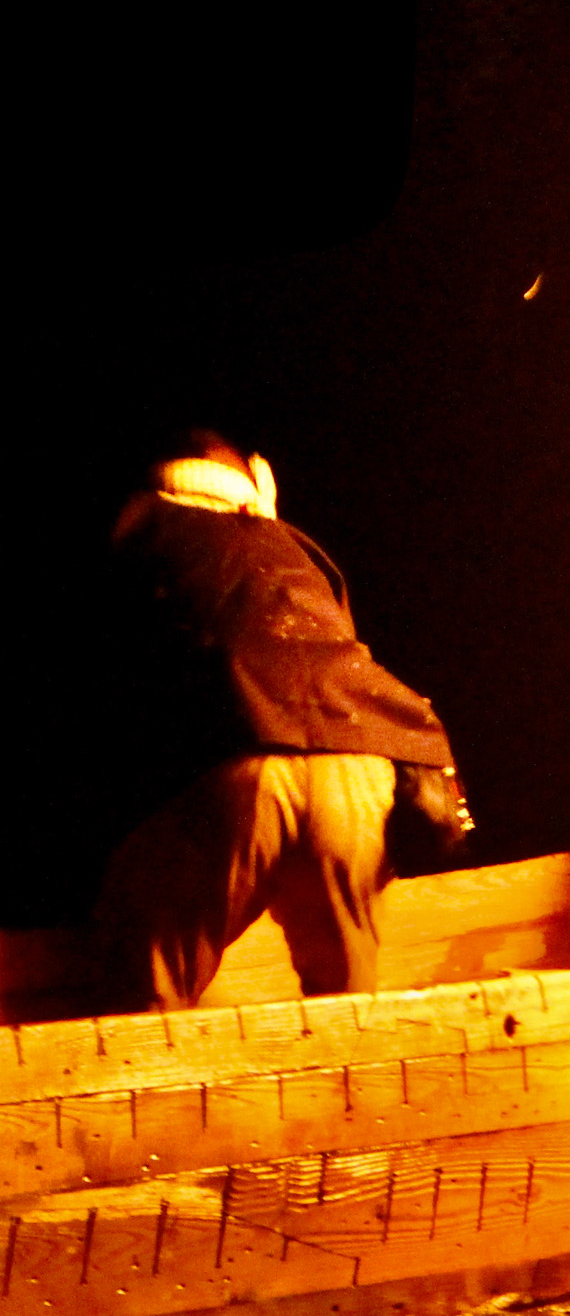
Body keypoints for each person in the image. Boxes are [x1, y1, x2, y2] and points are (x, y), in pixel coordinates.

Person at [89, 433, 468, 1011]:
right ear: (255, 486)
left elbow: (123, 705)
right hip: (359, 772)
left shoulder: (142, 534)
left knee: (144, 995)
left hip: (243, 771)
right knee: (349, 1012)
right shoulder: (299, 550)